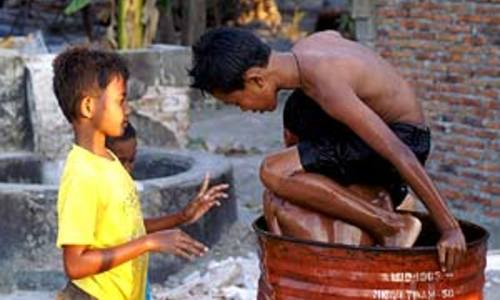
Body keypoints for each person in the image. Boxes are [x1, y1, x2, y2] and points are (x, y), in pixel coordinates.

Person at [189, 27, 465, 272]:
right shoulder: (309, 48)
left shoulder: (326, 83)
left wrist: (449, 227)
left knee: (273, 171)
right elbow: (335, 35)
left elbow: (399, 151)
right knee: (297, 112)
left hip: (404, 138)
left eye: (239, 102)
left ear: (257, 79)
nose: (246, 109)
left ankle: (391, 225)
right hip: (370, 133)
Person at [54, 47, 229, 299]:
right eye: (120, 100)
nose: (127, 109)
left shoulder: (110, 159)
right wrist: (150, 243)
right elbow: (75, 265)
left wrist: (182, 216)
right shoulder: (82, 175)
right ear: (89, 106)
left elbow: (125, 232)